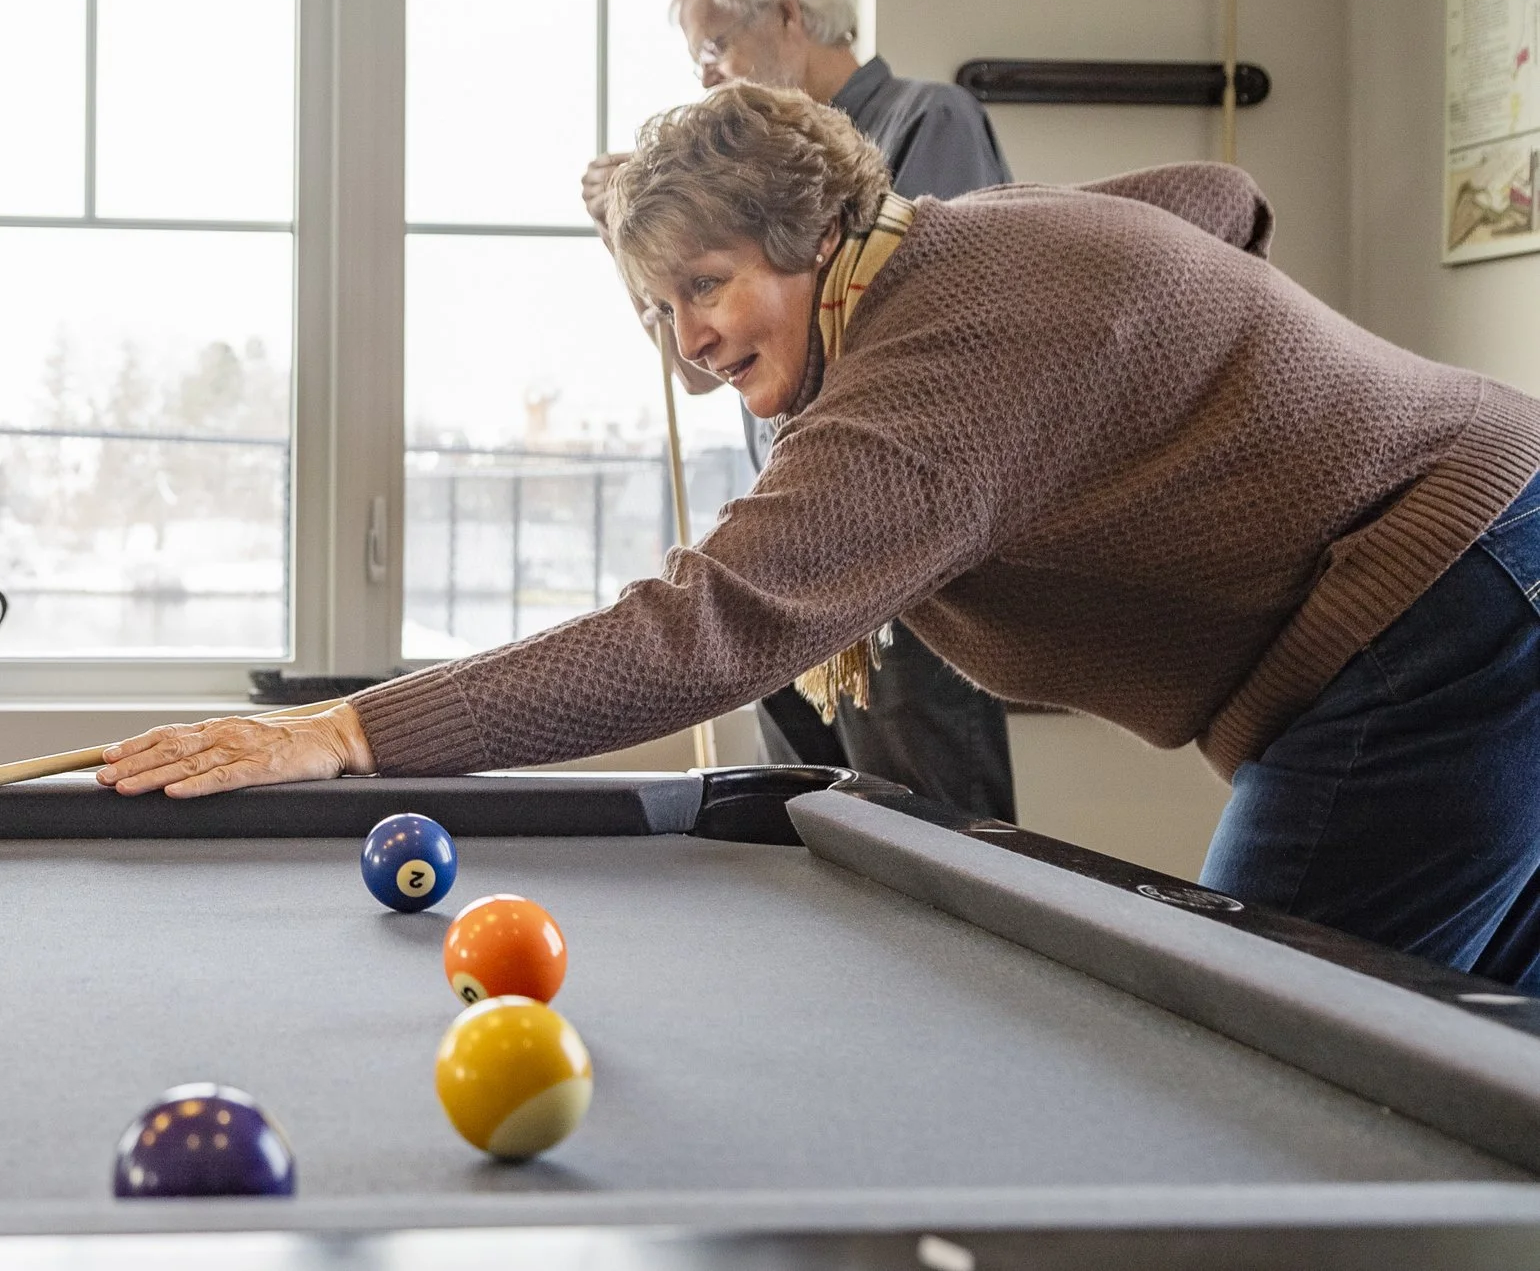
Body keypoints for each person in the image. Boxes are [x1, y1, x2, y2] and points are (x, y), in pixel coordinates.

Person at [98, 83, 1540, 991]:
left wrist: (355, 731)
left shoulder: (943, 340)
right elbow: (1216, 201)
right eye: (659, 313)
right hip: (1491, 559)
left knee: (1260, 1048)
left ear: (809, 230)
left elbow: (708, 627)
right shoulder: (968, 246)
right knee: (1489, 1052)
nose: (687, 346)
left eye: (706, 285)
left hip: (1448, 607)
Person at [582, 0, 1017, 820]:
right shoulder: (752, 193)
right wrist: (636, 243)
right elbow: (698, 375)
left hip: (904, 561)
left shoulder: (927, 119)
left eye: (715, 47)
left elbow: (923, 333)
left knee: (938, 846)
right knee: (809, 833)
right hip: (798, 555)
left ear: (789, 16)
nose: (706, 77)